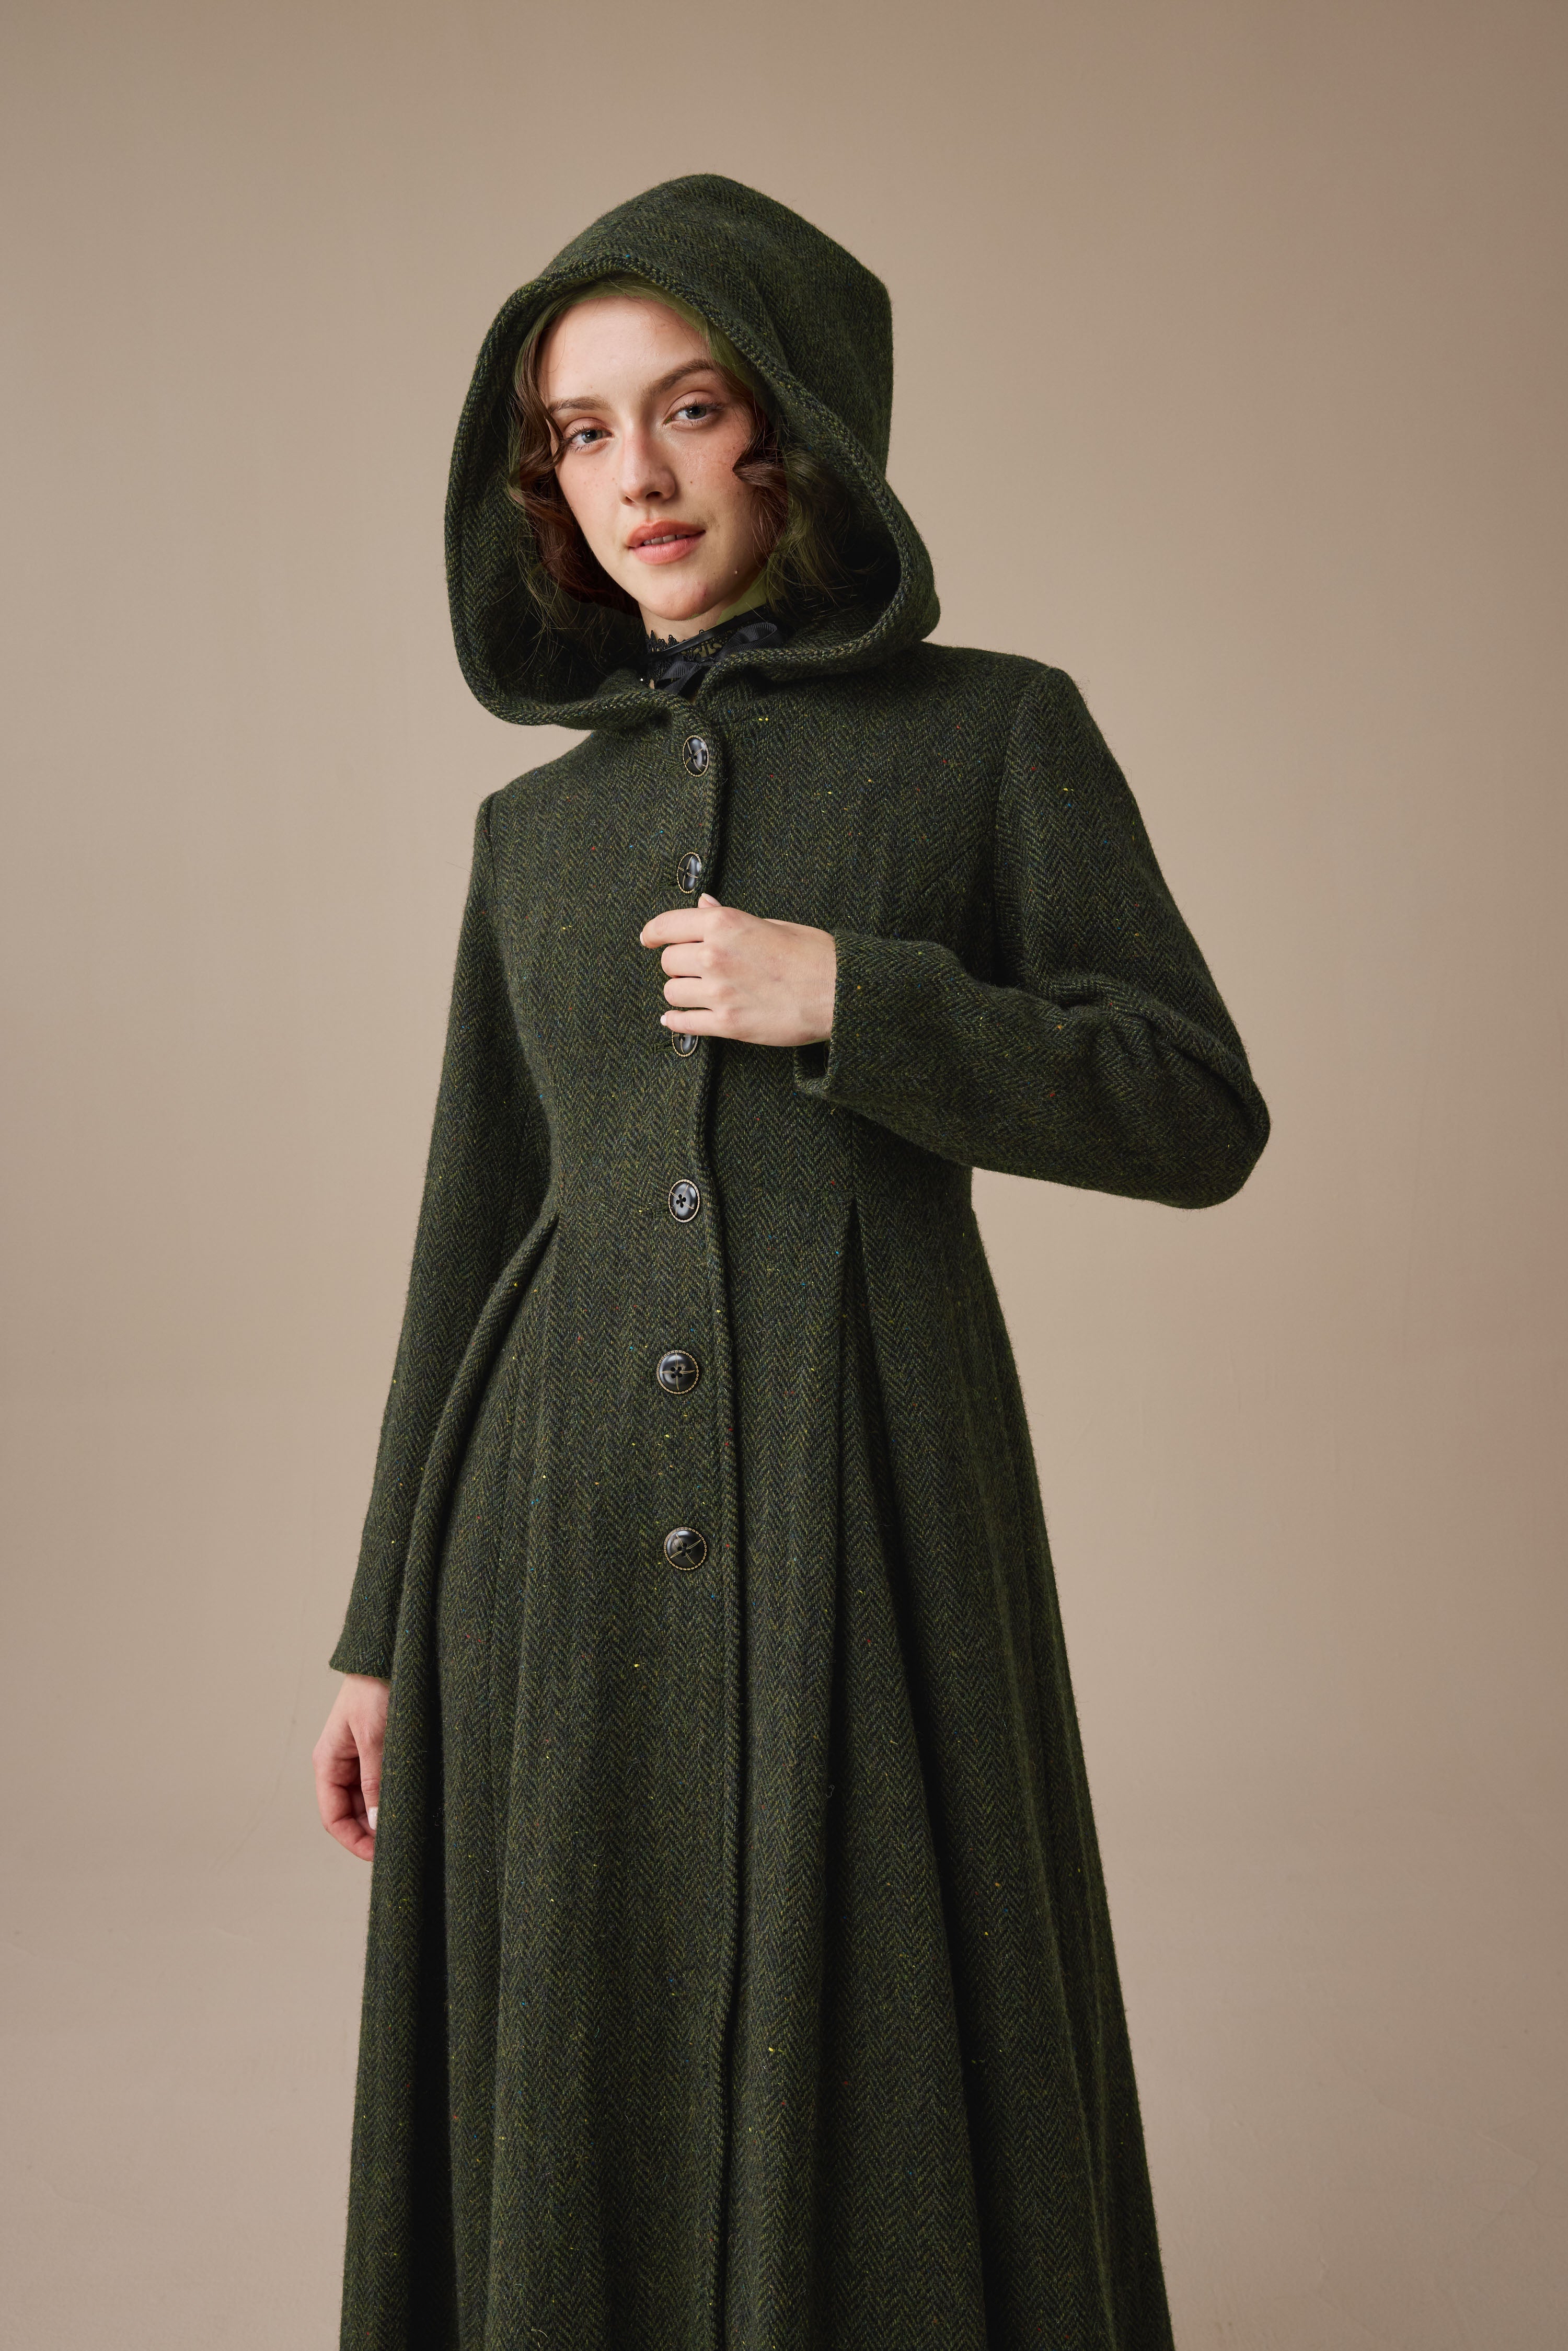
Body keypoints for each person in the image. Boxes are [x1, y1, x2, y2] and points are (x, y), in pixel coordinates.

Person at [313, 174, 1269, 2351]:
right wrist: (379, 1630)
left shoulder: (997, 734)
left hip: (877, 1498)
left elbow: (1194, 1104)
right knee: (581, 2034)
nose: (634, 478)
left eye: (689, 407)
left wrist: (862, 997)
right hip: (545, 1534)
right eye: (579, 432)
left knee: (895, 2036)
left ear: (797, 428)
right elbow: (474, 1220)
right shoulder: (531, 835)